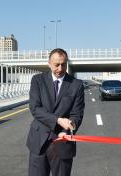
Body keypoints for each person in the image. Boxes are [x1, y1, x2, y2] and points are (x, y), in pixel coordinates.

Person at [26, 48, 85, 176]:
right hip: (39, 142)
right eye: (56, 65)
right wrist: (58, 120)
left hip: (62, 142)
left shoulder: (77, 85)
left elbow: (77, 114)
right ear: (49, 63)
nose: (60, 68)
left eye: (63, 64)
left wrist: (68, 129)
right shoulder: (37, 80)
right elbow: (35, 108)